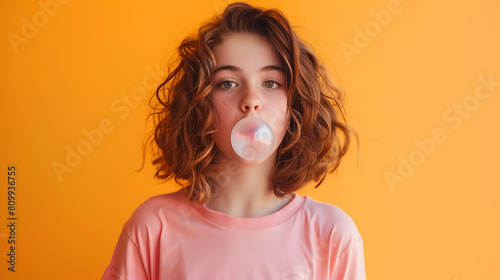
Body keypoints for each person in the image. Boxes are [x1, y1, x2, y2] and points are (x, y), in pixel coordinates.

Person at [101, 2, 365, 279]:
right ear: (200, 103)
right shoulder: (153, 227)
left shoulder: (332, 235)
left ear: (294, 105)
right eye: (228, 83)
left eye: (271, 83)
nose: (251, 100)